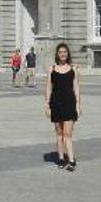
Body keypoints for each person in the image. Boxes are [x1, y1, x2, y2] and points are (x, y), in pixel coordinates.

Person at [45, 42, 82, 171]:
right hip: (56, 103)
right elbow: (49, 88)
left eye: (65, 52)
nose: (63, 54)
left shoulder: (74, 69)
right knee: (59, 133)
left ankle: (71, 159)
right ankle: (61, 158)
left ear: (68, 54)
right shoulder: (52, 69)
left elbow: (76, 87)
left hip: (69, 103)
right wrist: (47, 105)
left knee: (68, 133)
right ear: (57, 54)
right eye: (60, 52)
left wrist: (78, 104)